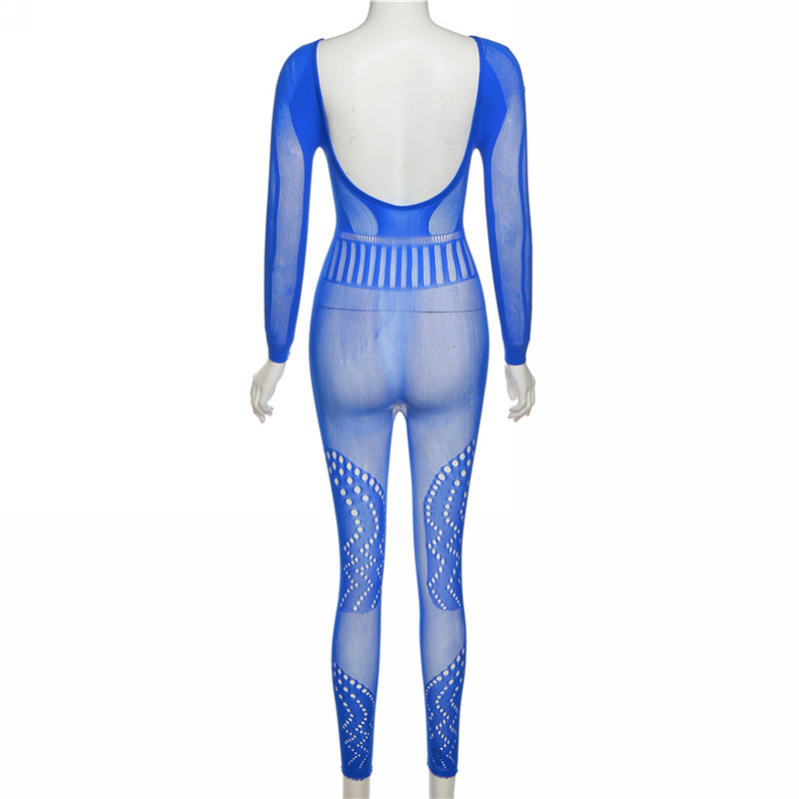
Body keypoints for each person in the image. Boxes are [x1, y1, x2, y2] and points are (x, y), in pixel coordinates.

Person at [250, 2, 534, 797]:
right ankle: (443, 792)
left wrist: (275, 346)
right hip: (452, 320)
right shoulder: (490, 69)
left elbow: (285, 216)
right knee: (443, 578)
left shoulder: (308, 70)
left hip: (348, 320)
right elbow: (508, 216)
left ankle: (354, 792)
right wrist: (518, 349)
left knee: (358, 580)